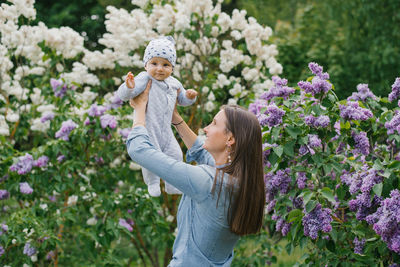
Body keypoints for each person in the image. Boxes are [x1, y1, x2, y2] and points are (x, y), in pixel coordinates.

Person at [126, 80, 266, 266]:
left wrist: (139, 108)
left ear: (230, 139)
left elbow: (139, 150)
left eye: (214, 123)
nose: (206, 128)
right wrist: (175, 117)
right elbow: (201, 151)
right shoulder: (238, 182)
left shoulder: (206, 181)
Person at [117, 36, 198, 197]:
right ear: (146, 64)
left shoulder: (174, 83)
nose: (160, 69)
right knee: (150, 157)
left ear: (172, 68)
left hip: (166, 131)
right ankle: (153, 183)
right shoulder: (144, 78)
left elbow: (181, 100)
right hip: (149, 127)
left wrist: (190, 97)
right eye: (154, 63)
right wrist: (128, 87)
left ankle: (172, 184)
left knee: (175, 154)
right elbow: (125, 95)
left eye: (166, 65)